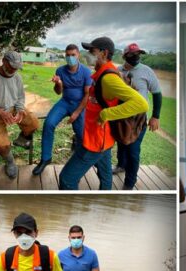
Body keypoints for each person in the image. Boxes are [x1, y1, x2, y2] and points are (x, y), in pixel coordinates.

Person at [59, 37, 148, 190]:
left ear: (104, 53)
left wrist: (106, 114)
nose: (88, 54)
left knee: (66, 179)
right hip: (102, 139)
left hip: (96, 141)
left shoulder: (108, 78)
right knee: (106, 177)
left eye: (92, 51)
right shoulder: (100, 74)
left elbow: (141, 104)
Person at [0, 51, 41, 179]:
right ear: (4, 61)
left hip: (12, 108)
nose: (14, 70)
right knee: (2, 145)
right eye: (12, 66)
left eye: (16, 67)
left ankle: (21, 140)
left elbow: (20, 97)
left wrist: (19, 110)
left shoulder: (17, 77)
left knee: (34, 123)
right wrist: (1, 112)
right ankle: (10, 162)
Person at [32, 44, 92, 176]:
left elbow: (88, 95)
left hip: (80, 105)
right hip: (64, 102)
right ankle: (45, 158)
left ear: (78, 56)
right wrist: (58, 83)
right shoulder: (60, 70)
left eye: (73, 55)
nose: (70, 57)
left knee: (82, 134)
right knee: (48, 124)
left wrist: (76, 113)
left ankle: (80, 162)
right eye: (68, 55)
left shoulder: (86, 72)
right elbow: (58, 92)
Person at [116, 43, 163, 190]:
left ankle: (130, 182)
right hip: (121, 116)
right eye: (132, 54)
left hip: (138, 118)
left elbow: (157, 94)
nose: (136, 57)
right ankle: (121, 166)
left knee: (133, 150)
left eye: (138, 54)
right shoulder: (117, 71)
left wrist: (155, 117)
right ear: (125, 56)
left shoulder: (146, 71)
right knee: (122, 143)